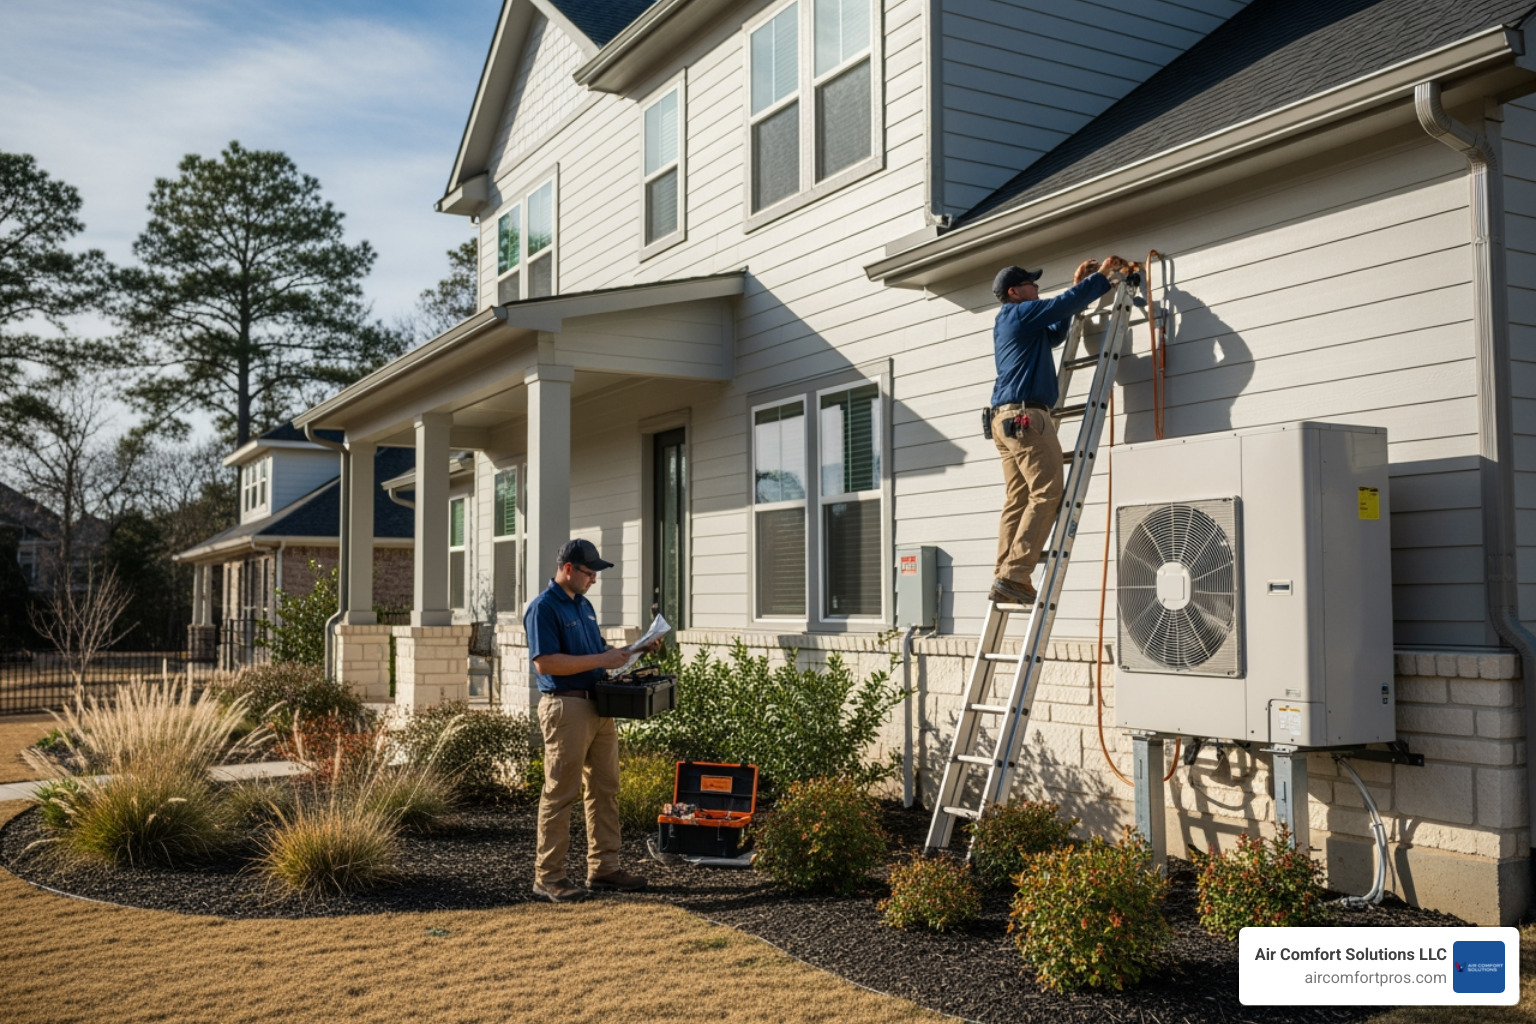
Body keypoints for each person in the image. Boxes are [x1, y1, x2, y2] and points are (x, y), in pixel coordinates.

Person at [988, 255, 1131, 607]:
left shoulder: (1017, 320)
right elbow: (1063, 305)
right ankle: (1015, 575)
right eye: (1031, 283)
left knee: (1018, 499)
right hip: (1025, 419)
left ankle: (1005, 571)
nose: (1037, 287)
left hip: (1005, 420)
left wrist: (1078, 285)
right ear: (1015, 292)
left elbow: (1056, 330)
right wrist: (1099, 279)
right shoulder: (1018, 313)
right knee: (1048, 493)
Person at [525, 538, 660, 902]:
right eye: (589, 573)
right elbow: (546, 662)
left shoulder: (583, 606)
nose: (593, 580)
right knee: (561, 793)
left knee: (605, 789)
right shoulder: (543, 608)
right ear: (568, 568)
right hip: (566, 709)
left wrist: (636, 649)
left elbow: (600, 653)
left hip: (599, 707)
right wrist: (601, 661)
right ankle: (549, 877)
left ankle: (604, 869)